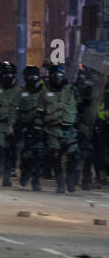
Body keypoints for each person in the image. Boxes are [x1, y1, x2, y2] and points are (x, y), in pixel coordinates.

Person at [44, 64, 79, 194]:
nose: (57, 78)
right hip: (52, 130)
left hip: (69, 129)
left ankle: (70, 179)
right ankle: (60, 182)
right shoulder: (46, 93)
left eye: (59, 75)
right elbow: (40, 111)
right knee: (54, 155)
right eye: (54, 75)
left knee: (74, 155)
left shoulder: (71, 90)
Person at [15, 65, 49, 191]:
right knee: (26, 154)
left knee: (39, 154)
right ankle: (25, 173)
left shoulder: (44, 92)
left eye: (34, 76)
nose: (32, 79)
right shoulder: (21, 93)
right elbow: (14, 109)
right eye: (29, 77)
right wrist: (13, 124)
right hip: (25, 128)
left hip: (40, 128)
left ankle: (36, 180)